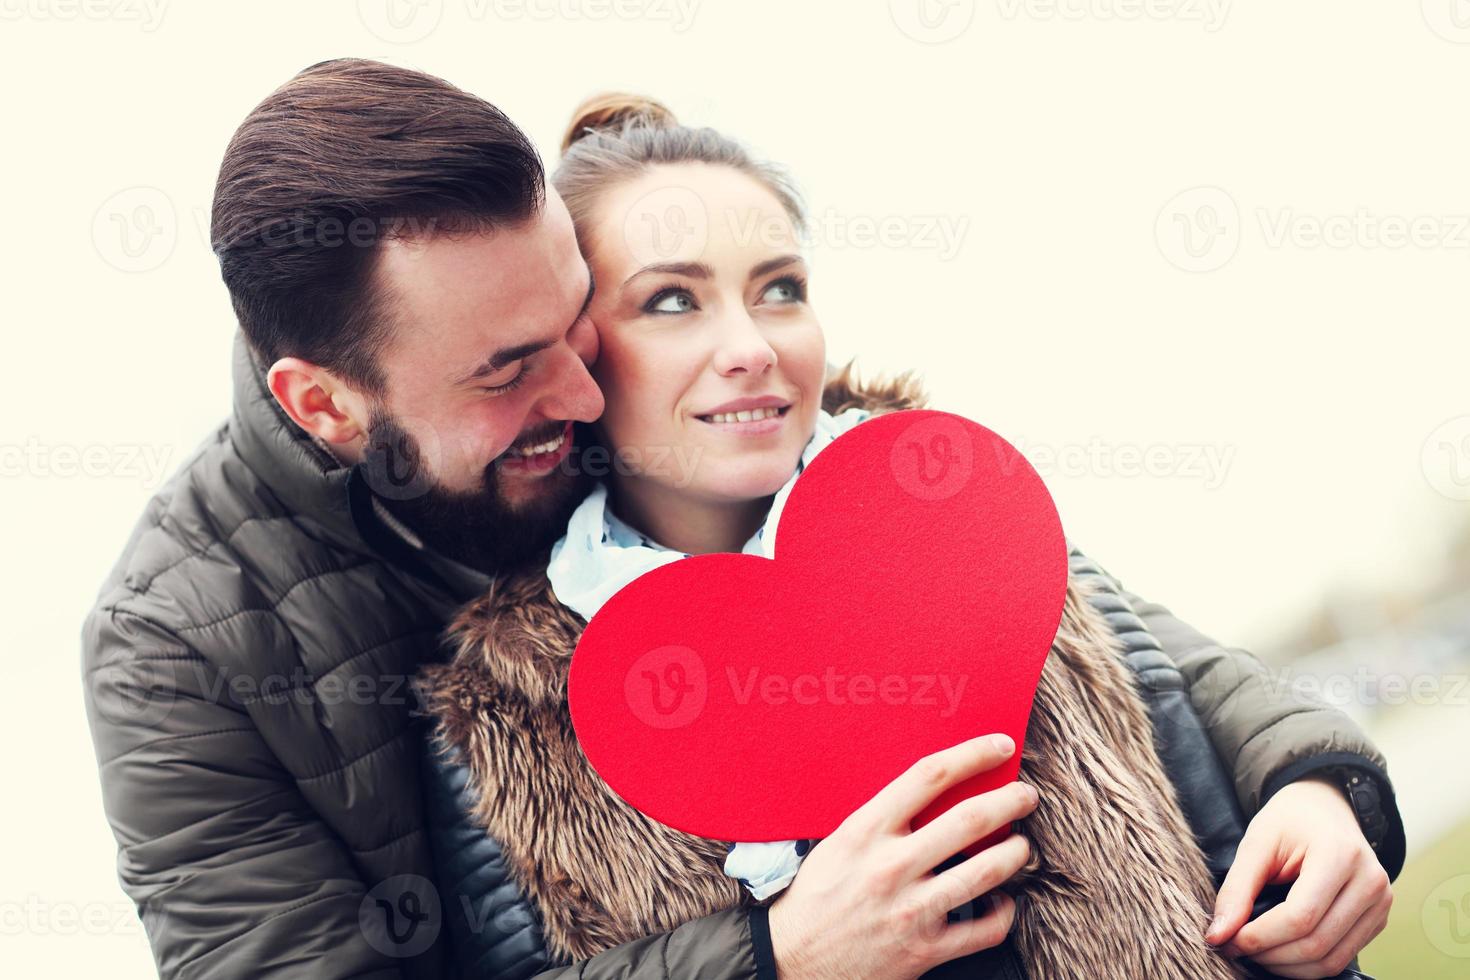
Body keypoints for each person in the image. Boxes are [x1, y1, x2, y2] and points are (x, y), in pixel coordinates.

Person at [79, 62, 1402, 979]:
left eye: (575, 323)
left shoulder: (840, 478)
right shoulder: (190, 647)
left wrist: (1316, 779)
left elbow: (1135, 652)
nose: (580, 388)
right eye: (508, 370)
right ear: (325, 404)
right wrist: (773, 959)